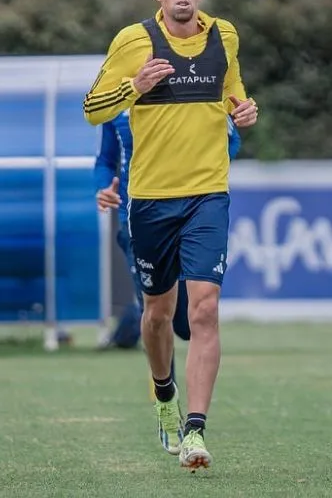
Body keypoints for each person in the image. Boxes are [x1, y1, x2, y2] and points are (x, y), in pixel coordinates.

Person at [83, 0, 258, 471]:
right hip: (150, 200)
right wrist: (133, 86)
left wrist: (243, 110)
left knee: (204, 309)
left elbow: (234, 93)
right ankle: (165, 396)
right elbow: (93, 107)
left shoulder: (224, 36)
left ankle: (196, 431)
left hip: (208, 194)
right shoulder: (132, 42)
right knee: (157, 315)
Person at [93, 111, 241, 394]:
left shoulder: (193, 85)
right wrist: (102, 187)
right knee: (156, 314)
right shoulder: (117, 99)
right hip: (137, 219)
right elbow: (105, 160)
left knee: (186, 324)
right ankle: (166, 403)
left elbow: (231, 141)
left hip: (188, 214)